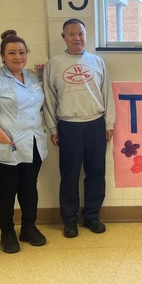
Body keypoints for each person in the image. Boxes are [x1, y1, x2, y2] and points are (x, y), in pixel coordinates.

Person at [0, 30, 48, 253]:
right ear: (2, 55)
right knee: (8, 190)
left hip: (33, 143)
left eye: (22, 52)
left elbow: (38, 106)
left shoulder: (32, 77)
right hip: (3, 147)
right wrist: (5, 139)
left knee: (29, 188)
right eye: (12, 53)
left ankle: (29, 227)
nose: (18, 57)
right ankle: (7, 232)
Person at [43, 18, 115, 238]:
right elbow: (48, 99)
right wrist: (53, 129)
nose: (77, 38)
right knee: (69, 175)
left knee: (96, 173)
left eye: (81, 34)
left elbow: (107, 94)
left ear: (86, 36)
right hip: (68, 126)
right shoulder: (53, 64)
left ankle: (92, 216)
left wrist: (109, 123)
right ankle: (69, 219)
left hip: (95, 123)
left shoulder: (97, 62)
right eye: (72, 34)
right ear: (64, 37)